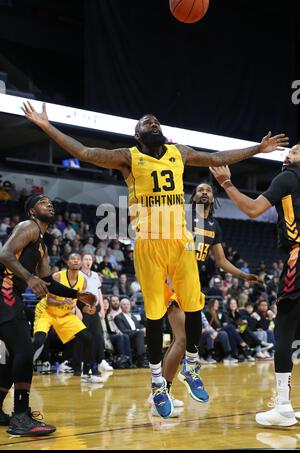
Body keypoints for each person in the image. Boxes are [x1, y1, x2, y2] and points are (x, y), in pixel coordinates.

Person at [22, 101, 288, 418]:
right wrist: (47, 126)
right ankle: (157, 383)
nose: (152, 123)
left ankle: (191, 367)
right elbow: (86, 152)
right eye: (146, 123)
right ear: (137, 135)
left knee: (194, 308)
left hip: (180, 242)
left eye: (155, 121)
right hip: (149, 243)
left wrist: (259, 148)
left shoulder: (181, 154)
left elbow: (218, 158)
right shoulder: (128, 158)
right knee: (153, 318)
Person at [210, 143, 300, 427]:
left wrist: (226, 183)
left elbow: (252, 209)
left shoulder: (289, 177)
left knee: (284, 328)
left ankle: (283, 406)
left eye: (296, 151)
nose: (288, 155)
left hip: (297, 257)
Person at [0, 194, 95, 436]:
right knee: (23, 350)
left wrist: (77, 294)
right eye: (43, 202)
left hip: (11, 297)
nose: (49, 204)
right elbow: (5, 254)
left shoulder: (42, 246)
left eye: (51, 202)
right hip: (4, 292)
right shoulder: (28, 226)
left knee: (15, 355)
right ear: (32, 211)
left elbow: (46, 281)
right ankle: (20, 416)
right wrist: (29, 278)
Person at [162, 182, 258, 408]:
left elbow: (221, 260)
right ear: (193, 196)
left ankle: (161, 390)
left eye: (208, 190)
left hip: (193, 285)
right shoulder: (183, 216)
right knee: (183, 339)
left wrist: (243, 275)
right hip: (173, 281)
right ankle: (161, 391)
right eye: (200, 190)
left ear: (213, 198)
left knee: (179, 340)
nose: (204, 193)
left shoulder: (215, 225)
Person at [33, 252, 102, 383]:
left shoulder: (83, 281)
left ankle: (87, 374)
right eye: (72, 259)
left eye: (78, 259)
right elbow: (49, 301)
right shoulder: (58, 276)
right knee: (38, 341)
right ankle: (17, 372)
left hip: (65, 315)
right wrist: (63, 302)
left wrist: (86, 308)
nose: (75, 261)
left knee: (88, 338)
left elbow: (80, 301)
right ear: (67, 262)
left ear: (81, 263)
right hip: (47, 312)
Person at [79, 253, 112, 373]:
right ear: (82, 261)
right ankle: (84, 362)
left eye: (90, 259)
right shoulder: (78, 274)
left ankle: (100, 361)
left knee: (98, 335)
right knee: (86, 336)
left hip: (96, 307)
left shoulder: (95, 275)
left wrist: (102, 309)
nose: (88, 261)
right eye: (86, 259)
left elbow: (99, 293)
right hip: (84, 307)